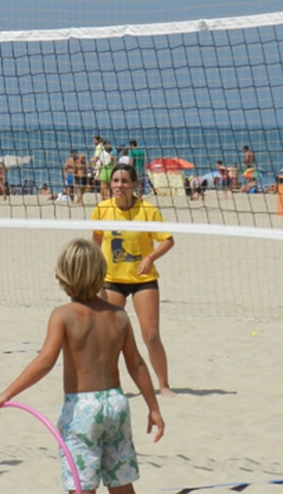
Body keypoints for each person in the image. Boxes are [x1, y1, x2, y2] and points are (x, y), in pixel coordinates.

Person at [0, 238, 164, 494]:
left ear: (64, 277)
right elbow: (136, 363)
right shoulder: (118, 316)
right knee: (122, 482)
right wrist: (153, 407)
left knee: (81, 485)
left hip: (82, 409)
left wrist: (6, 394)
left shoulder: (63, 315)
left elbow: (45, 361)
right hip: (116, 404)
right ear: (102, 274)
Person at [91, 163, 177, 397]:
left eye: (125, 181)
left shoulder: (147, 210)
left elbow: (168, 240)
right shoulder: (102, 209)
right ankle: (109, 385)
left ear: (134, 185)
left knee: (150, 335)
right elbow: (95, 243)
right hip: (112, 279)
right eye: (116, 181)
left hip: (142, 279)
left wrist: (150, 257)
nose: (120, 186)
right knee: (110, 335)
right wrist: (94, 274)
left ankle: (164, 384)